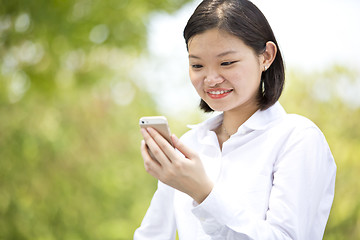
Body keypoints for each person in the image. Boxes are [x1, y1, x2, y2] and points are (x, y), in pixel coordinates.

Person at [134, 0, 336, 239]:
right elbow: (152, 235)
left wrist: (203, 193)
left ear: (266, 56)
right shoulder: (188, 146)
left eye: (226, 63)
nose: (210, 79)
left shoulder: (297, 138)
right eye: (197, 65)